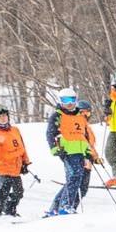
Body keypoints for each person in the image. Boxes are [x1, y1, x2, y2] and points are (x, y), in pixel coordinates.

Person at [44, 88, 93, 216]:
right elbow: (50, 133)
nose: (69, 103)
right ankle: (66, 205)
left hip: (80, 151)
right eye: (66, 100)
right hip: (68, 151)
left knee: (76, 179)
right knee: (74, 178)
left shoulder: (80, 117)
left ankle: (56, 206)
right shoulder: (58, 116)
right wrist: (55, 148)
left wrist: (88, 150)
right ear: (61, 101)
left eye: (72, 100)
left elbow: (84, 134)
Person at [0, 106, 30, 217]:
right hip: (3, 166)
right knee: (3, 190)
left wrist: (25, 162)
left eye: (4, 116)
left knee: (19, 192)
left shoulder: (15, 130)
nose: (3, 118)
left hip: (16, 166)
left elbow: (22, 146)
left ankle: (10, 210)